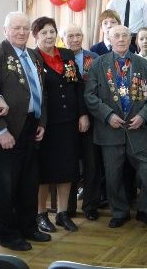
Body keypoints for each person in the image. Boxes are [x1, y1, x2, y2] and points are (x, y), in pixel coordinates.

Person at [84, 25, 147, 228]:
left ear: (131, 39)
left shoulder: (145, 65)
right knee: (113, 175)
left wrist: (144, 116)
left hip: (140, 128)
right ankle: (119, 212)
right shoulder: (98, 64)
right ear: (109, 39)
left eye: (124, 35)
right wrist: (107, 115)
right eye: (116, 35)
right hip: (110, 130)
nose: (120, 39)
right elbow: (89, 96)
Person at [0, 12, 49, 251]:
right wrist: (0, 130)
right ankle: (8, 236)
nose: (21, 32)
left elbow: (41, 91)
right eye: (16, 28)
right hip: (8, 130)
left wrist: (42, 121)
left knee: (29, 183)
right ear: (5, 30)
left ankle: (28, 227)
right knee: (5, 187)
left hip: (32, 126)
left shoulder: (33, 55)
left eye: (25, 28)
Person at [31, 17, 88, 234]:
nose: (49, 36)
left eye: (52, 32)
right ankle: (41, 214)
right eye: (44, 32)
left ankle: (63, 213)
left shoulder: (66, 55)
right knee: (45, 171)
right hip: (46, 124)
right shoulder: (33, 57)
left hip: (69, 121)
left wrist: (82, 114)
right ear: (36, 36)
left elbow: (77, 86)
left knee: (67, 168)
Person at [62, 24, 103, 221]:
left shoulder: (93, 58)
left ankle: (90, 205)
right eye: (70, 36)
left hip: (91, 118)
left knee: (91, 163)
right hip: (67, 119)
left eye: (78, 35)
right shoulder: (59, 58)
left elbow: (99, 88)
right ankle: (68, 207)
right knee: (69, 163)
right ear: (63, 38)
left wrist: (86, 113)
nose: (75, 39)